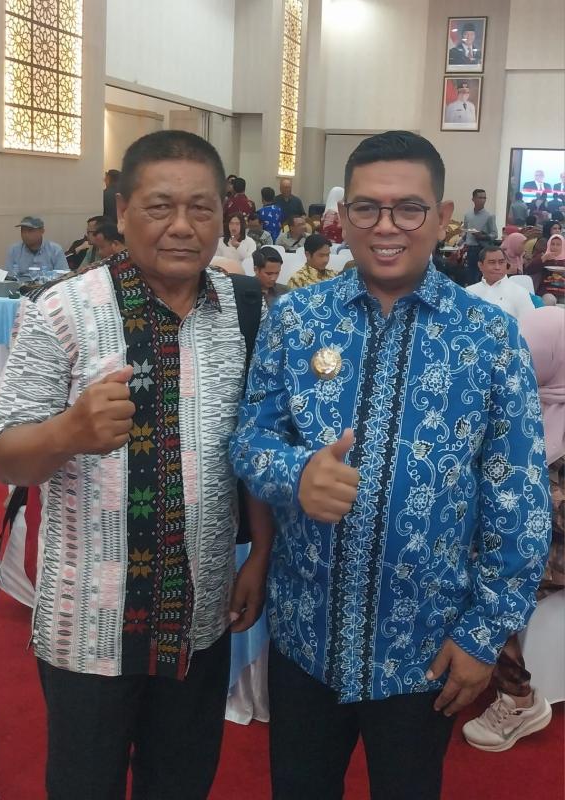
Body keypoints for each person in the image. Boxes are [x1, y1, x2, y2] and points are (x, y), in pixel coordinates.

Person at [230, 130, 550, 800]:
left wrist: (484, 635)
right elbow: (250, 439)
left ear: (442, 217)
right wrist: (295, 474)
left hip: (425, 650)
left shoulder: (487, 337)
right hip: (306, 636)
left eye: (409, 208)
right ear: (341, 218)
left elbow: (518, 500)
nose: (386, 226)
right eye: (367, 208)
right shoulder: (297, 319)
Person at [0, 130, 272, 800]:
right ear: (122, 211)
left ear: (224, 217)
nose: (182, 226)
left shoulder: (240, 310)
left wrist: (260, 550)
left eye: (200, 209)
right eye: (160, 207)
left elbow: (252, 443)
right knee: (85, 785)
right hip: (89, 622)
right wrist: (68, 432)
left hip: (200, 615)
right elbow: (2, 454)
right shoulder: (62, 311)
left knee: (182, 782)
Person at [463, 306, 564, 751]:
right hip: (541, 540)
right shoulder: (534, 404)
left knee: (486, 583)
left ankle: (519, 699)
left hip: (555, 550)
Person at [466, 245, 534, 321]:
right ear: (480, 265)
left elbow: (530, 323)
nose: (497, 267)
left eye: (501, 262)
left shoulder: (520, 292)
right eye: (492, 263)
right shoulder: (470, 292)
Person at [462, 188, 498, 285]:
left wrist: (482, 236)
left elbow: (495, 234)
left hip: (482, 249)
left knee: (480, 276)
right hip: (470, 249)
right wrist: (461, 244)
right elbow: (466, 232)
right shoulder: (468, 215)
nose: (483, 200)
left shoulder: (489, 216)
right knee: (470, 276)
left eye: (484, 198)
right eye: (480, 198)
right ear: (473, 199)